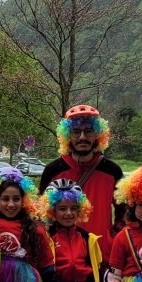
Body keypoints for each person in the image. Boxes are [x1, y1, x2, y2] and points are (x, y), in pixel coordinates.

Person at [38, 105, 125, 251]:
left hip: (101, 254)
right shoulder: (53, 170)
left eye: (89, 131)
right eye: (76, 132)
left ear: (98, 135)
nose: (82, 137)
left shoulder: (112, 171)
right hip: (61, 256)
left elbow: (125, 213)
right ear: (67, 136)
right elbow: (42, 215)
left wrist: (113, 239)